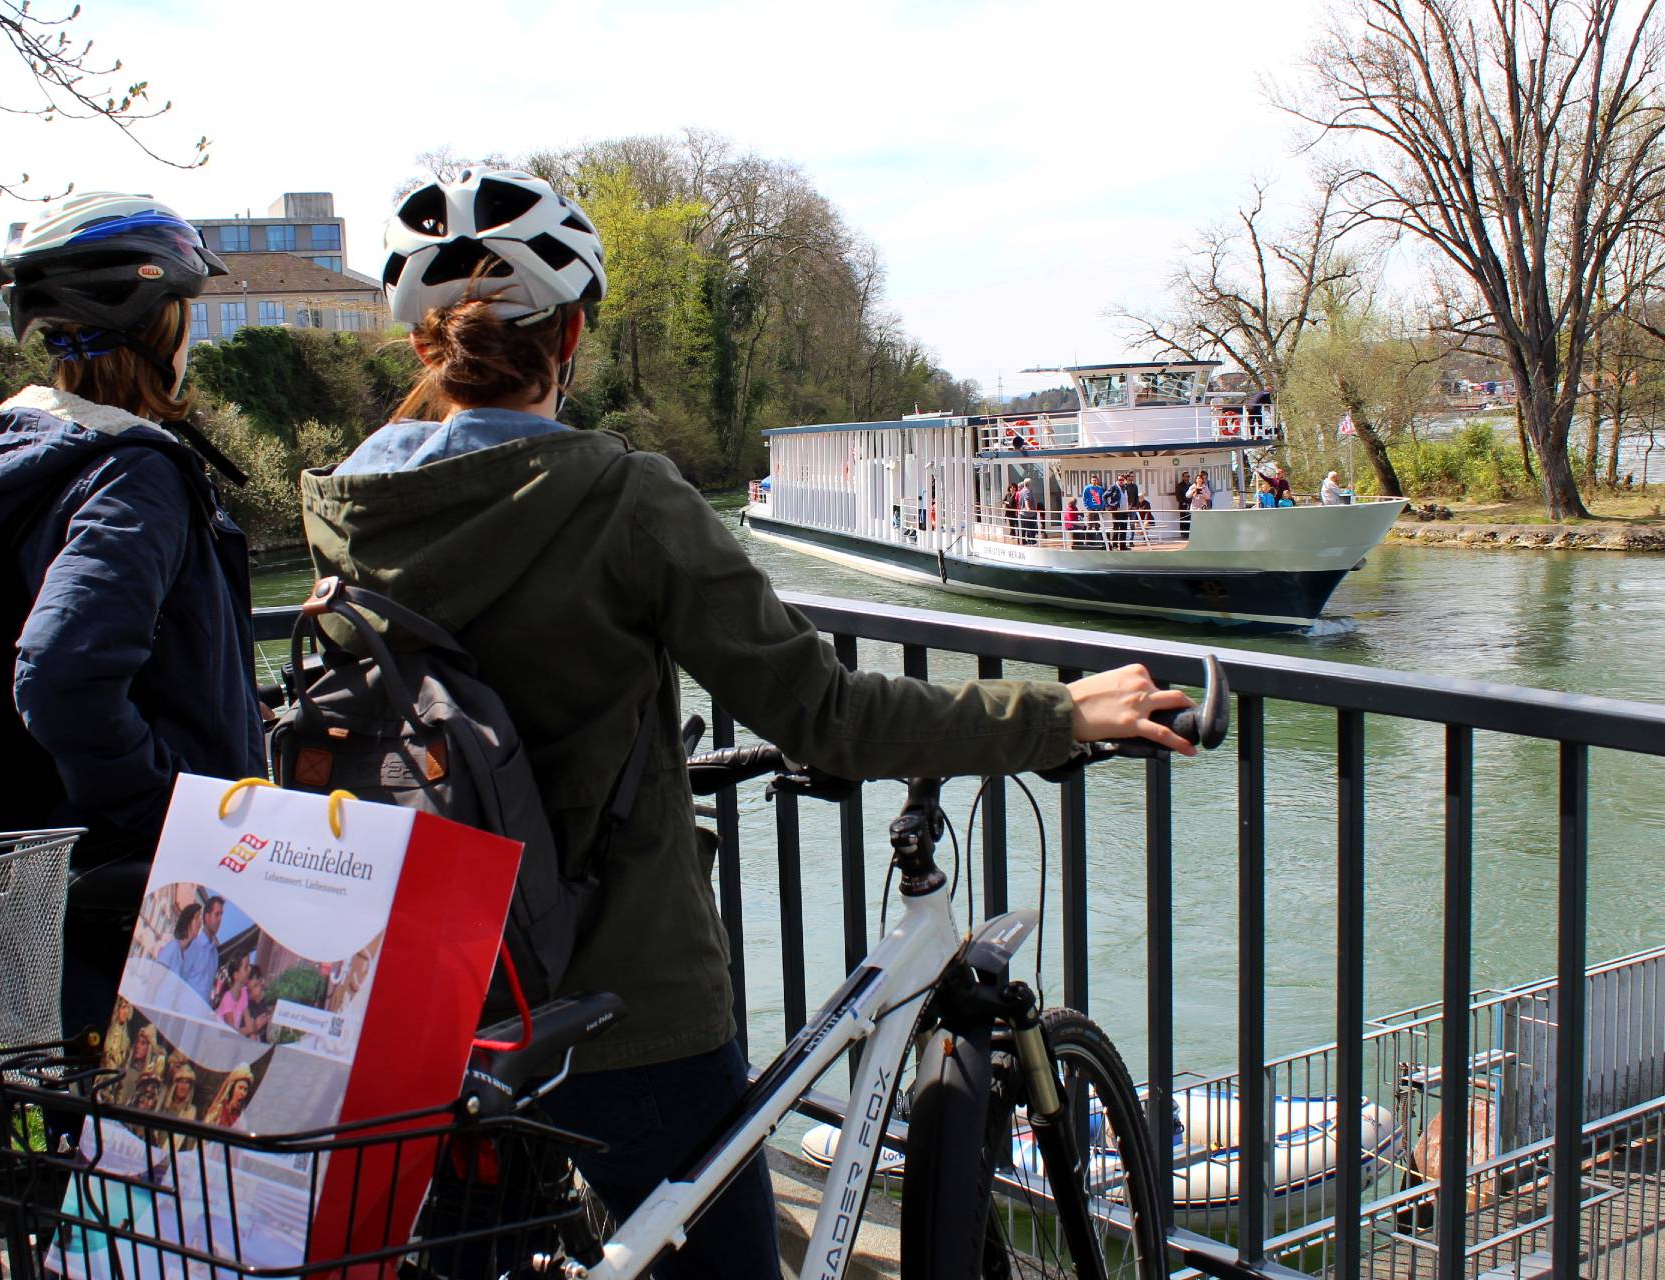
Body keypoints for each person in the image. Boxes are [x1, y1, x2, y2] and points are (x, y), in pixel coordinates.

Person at [300, 168, 1199, 1280]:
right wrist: (1052, 710)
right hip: (622, 1000)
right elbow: (822, 711)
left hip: (425, 984)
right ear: (574, 330)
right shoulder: (624, 500)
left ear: (428, 341)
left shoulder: (351, 511)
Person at [0, 193, 264, 1039]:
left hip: (39, 872)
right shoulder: (129, 473)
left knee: (85, 1144)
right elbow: (62, 674)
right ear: (160, 325)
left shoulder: (14, 457)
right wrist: (166, 810)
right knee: (203, 1142)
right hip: (144, 889)